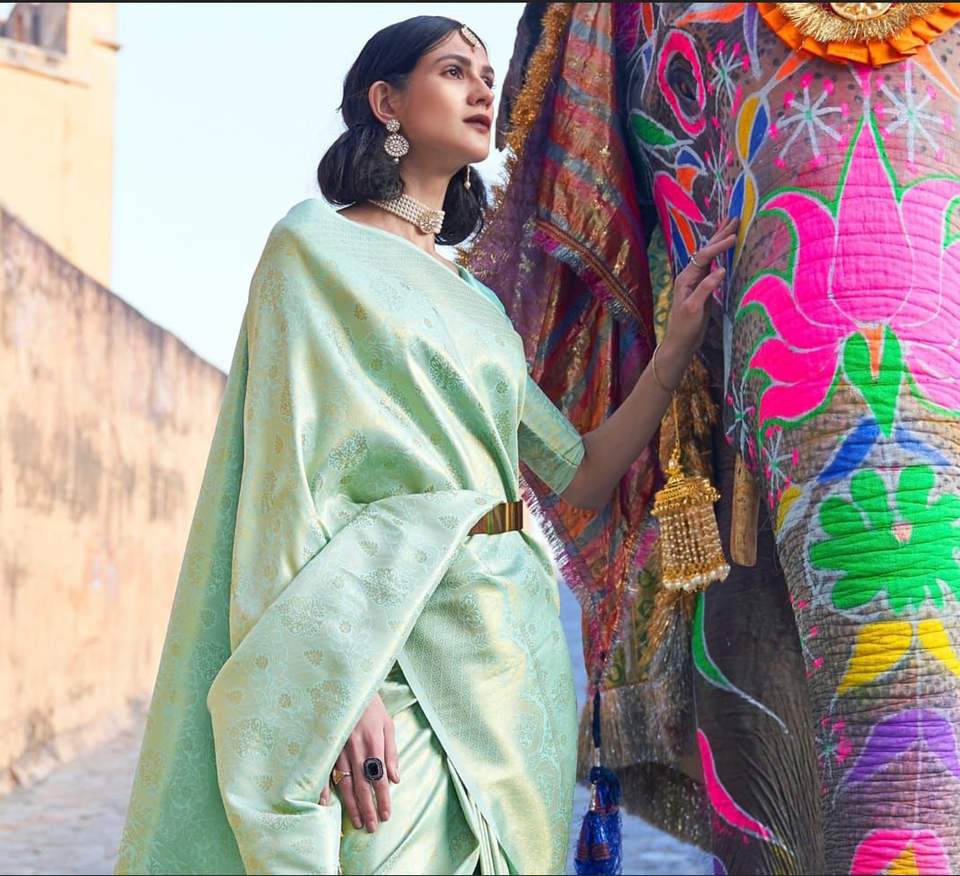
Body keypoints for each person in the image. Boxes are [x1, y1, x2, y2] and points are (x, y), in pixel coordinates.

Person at [114, 15, 737, 876]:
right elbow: (287, 486)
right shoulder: (313, 250)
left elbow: (584, 475)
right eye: (453, 71)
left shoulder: (477, 301)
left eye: (486, 73)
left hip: (510, 649)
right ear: (387, 101)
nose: (483, 89)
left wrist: (675, 350)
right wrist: (340, 683)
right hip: (384, 642)